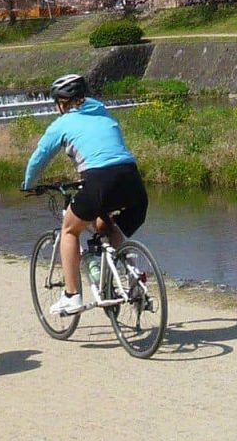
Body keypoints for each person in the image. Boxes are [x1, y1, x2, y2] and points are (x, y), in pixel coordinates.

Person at [21, 73, 147, 320]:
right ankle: (134, 277)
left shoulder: (63, 123)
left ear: (61, 102)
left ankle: (72, 295)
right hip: (133, 181)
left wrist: (28, 184)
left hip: (99, 180)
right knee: (104, 226)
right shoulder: (103, 115)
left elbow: (40, 156)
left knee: (69, 230)